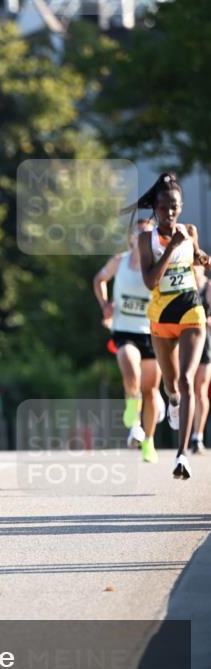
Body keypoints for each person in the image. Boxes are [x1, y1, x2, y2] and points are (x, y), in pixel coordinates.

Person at [133, 173, 210, 479]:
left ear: (181, 206)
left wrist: (201, 257)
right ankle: (174, 402)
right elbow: (150, 281)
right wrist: (170, 248)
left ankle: (182, 455)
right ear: (155, 207)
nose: (170, 213)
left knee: (189, 380)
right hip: (161, 318)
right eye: (164, 208)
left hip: (192, 312)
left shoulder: (188, 231)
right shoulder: (146, 239)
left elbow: (197, 259)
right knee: (172, 386)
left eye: (175, 207)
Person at [93, 219, 164, 463]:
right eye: (139, 233)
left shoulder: (157, 265)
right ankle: (133, 420)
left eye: (148, 234)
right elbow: (99, 279)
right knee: (130, 369)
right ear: (131, 237)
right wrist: (105, 306)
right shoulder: (119, 261)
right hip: (124, 331)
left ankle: (149, 441)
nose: (143, 237)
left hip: (152, 334)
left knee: (151, 390)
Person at [191, 266, 211, 453]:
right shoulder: (184, 286)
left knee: (200, 390)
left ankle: (198, 437)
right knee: (183, 387)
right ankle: (186, 433)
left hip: (205, 344)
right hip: (185, 344)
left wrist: (203, 321)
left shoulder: (208, 287)